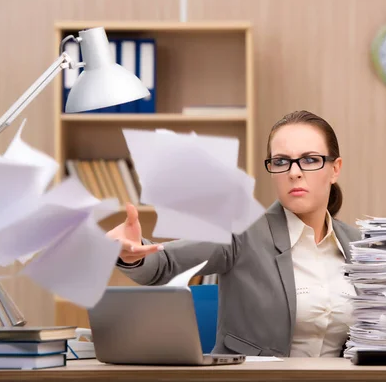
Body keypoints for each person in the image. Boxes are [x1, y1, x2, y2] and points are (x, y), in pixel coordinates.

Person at [107, 110, 361, 358]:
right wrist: (132, 252)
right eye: (281, 161)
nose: (294, 172)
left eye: (309, 159)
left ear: (334, 169)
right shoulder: (242, 233)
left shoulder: (359, 246)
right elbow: (164, 263)